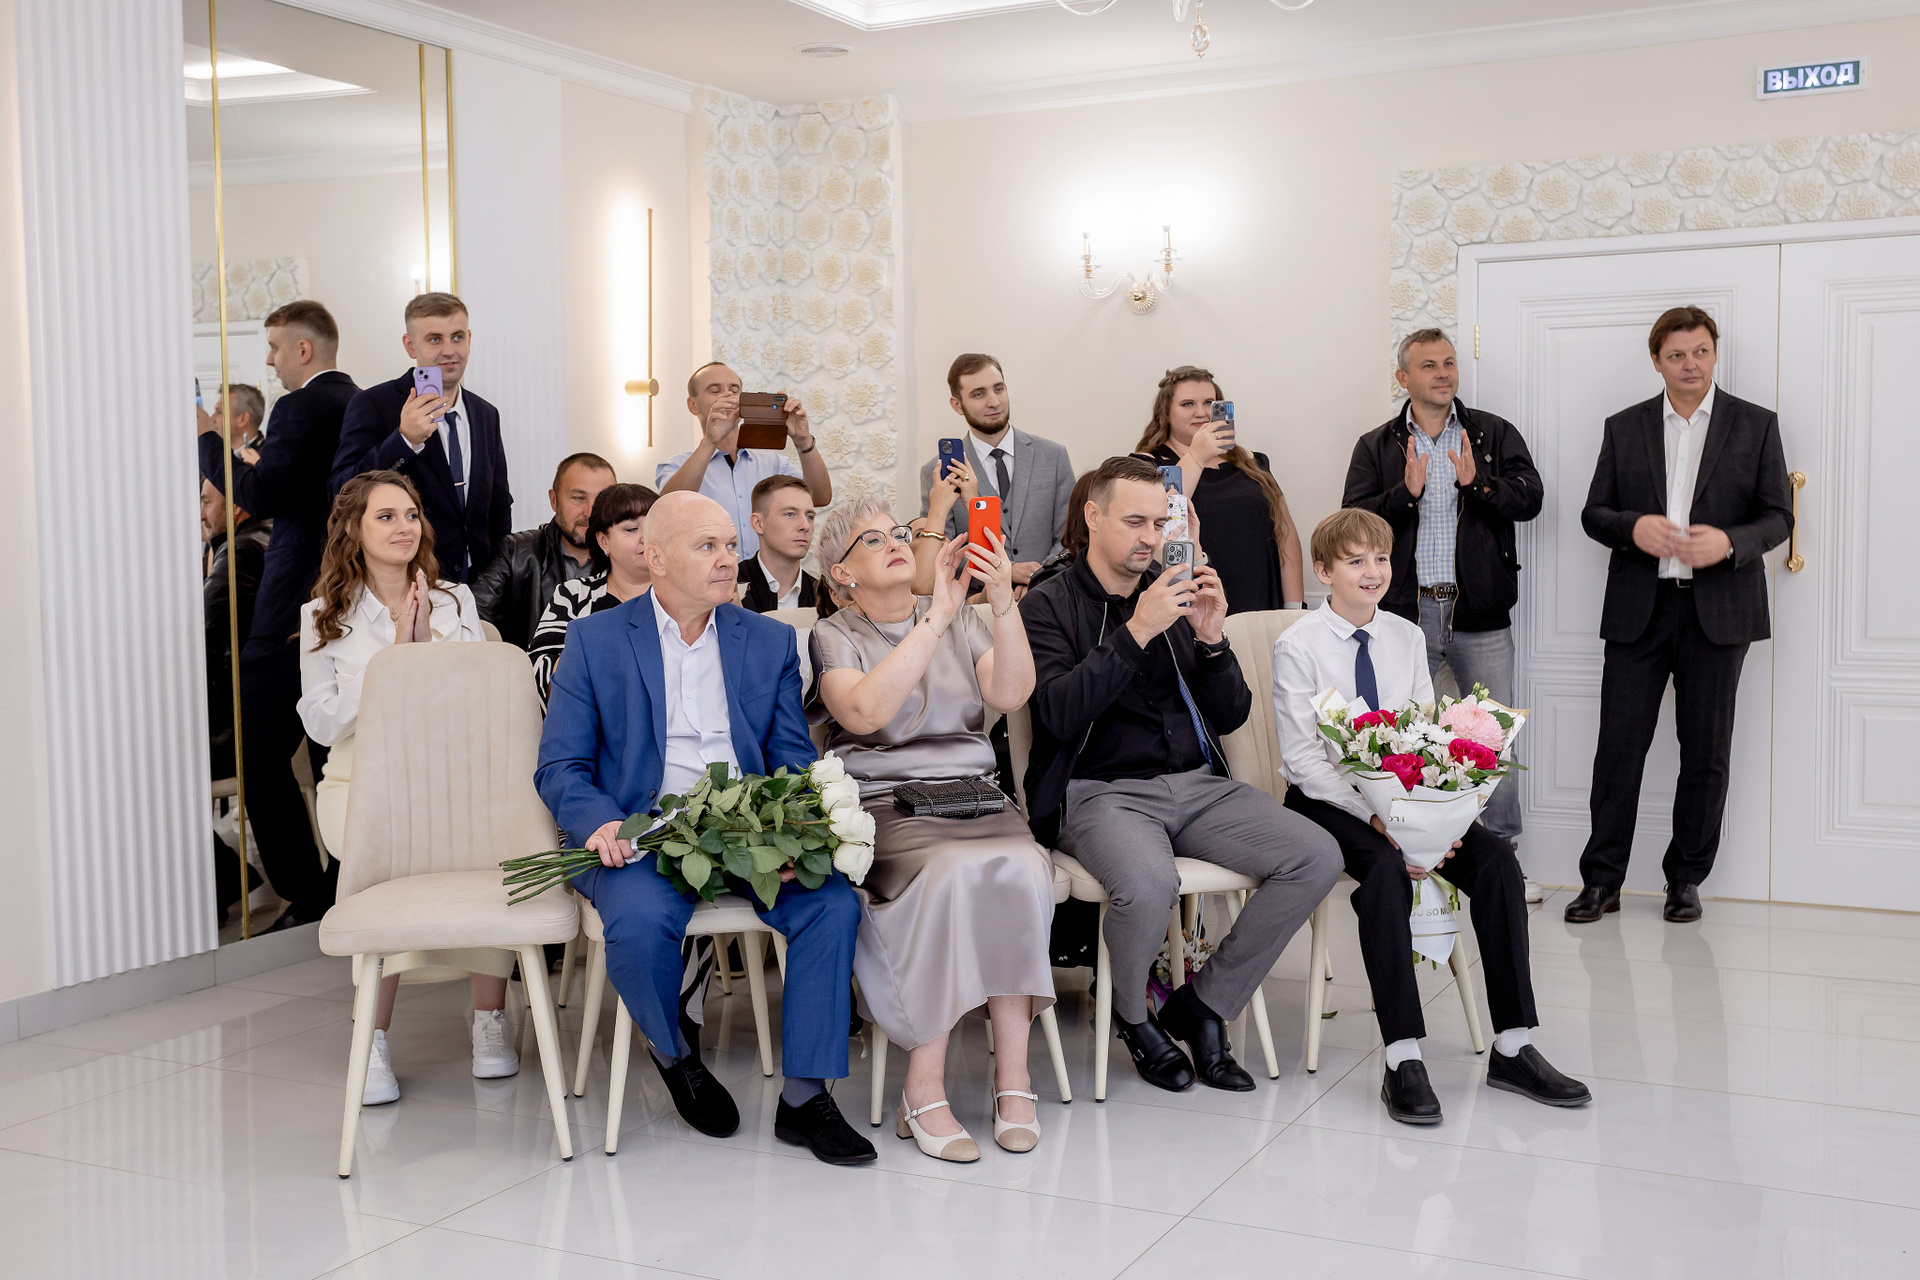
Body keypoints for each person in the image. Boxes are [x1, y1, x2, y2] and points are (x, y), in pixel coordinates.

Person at [535, 491, 874, 1166]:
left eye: (730, 545)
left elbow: (790, 757)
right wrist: (600, 821)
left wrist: (796, 830)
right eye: (707, 546)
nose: (727, 560)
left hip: (750, 830)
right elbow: (560, 765)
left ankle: (805, 1096)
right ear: (655, 558)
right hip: (642, 833)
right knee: (639, 920)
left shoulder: (769, 641)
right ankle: (674, 1054)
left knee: (831, 905)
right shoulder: (597, 640)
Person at [1020, 456, 1341, 1093]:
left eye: (1158, 522)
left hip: (1197, 786)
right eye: (1134, 522)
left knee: (1316, 856)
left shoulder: (1176, 588)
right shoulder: (1048, 603)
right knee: (1147, 884)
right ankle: (1134, 1017)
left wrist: (1213, 639)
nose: (1149, 537)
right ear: (1093, 516)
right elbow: (1055, 714)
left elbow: (1231, 714)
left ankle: (1204, 1004)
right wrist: (1139, 629)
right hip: (1101, 793)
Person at [1273, 508, 1590, 1125]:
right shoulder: (1299, 645)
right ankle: (1402, 1057)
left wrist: (1432, 821)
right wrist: (1381, 822)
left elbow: (1423, 736)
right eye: (1355, 561)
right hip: (1329, 802)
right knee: (1385, 873)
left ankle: (1513, 1045)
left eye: (1381, 558)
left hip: (1408, 799)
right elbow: (1304, 760)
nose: (1373, 572)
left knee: (1497, 863)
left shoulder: (1407, 636)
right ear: (1323, 571)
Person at [809, 498, 1054, 1161]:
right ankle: (923, 1083)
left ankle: (1013, 1079)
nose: (896, 543)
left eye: (898, 533)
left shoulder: (964, 617)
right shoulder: (833, 633)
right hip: (885, 804)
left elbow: (1011, 695)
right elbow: (864, 713)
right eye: (873, 540)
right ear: (842, 574)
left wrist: (999, 603)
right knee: (948, 874)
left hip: (974, 796)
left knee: (1025, 865)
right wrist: (937, 615)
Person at [1569, 306, 1793, 925]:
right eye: (1676, 355)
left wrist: (1731, 543)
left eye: (1701, 352)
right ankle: (1601, 880)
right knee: (1618, 749)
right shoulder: (1624, 427)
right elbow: (1594, 513)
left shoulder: (1756, 425)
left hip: (1719, 613)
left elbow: (1779, 515)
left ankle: (1685, 879)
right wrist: (1632, 527)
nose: (1690, 364)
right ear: (1656, 361)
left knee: (1706, 752)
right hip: (1639, 611)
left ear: (1714, 353)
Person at [296, 471, 513, 1106]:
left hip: (453, 775)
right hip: (362, 782)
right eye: (385, 516)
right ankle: (371, 1037)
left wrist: (424, 660)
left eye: (411, 514)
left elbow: (479, 698)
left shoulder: (454, 601)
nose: (404, 527)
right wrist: (394, 661)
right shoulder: (322, 615)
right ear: (353, 529)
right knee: (380, 870)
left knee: (492, 855)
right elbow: (320, 723)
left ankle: (489, 1019)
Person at [1343, 329, 1544, 900]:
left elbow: (1530, 499)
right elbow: (1352, 522)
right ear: (1403, 377)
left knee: (1492, 739)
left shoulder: (1492, 433)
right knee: (1407, 738)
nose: (1443, 373)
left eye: (1449, 363)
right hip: (1404, 615)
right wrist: (1404, 495)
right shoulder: (1376, 445)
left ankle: (1502, 859)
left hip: (1478, 610)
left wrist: (1478, 485)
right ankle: (1418, 857)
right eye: (1429, 365)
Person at [197, 298, 358, 932]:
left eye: (273, 346)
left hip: (294, 602)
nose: (269, 360)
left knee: (258, 751)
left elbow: (261, 495)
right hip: (345, 598)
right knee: (331, 755)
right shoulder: (359, 403)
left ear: (303, 349)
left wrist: (209, 439)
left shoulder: (301, 406)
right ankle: (343, 887)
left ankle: (305, 893)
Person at [331, 292, 512, 584]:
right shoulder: (374, 404)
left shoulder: (485, 414)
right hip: (405, 581)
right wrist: (404, 440)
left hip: (480, 585)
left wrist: (500, 579)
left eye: (457, 337)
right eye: (434, 339)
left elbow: (499, 506)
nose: (449, 351)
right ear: (410, 345)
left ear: (469, 339)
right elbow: (341, 491)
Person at [1132, 365, 1303, 614]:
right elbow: (1163, 513)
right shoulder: (1149, 464)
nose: (1201, 412)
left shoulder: (1251, 461)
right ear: (1166, 412)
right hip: (1195, 603)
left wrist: (1294, 608)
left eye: (1209, 403)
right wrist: (1197, 456)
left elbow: (1285, 534)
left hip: (1260, 600)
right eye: (1188, 404)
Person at [916, 353, 1077, 589]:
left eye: (999, 389)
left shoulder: (1054, 456)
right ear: (957, 405)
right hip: (977, 602)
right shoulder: (938, 471)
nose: (994, 402)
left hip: (1051, 594)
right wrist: (1007, 572)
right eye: (979, 394)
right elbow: (943, 552)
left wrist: (1040, 579)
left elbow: (1070, 537)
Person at [656, 362, 830, 559]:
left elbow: (820, 497)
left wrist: (803, 440)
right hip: (708, 574)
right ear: (692, 405)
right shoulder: (676, 465)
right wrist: (710, 442)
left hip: (764, 576)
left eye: (734, 390)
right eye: (715, 390)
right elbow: (669, 509)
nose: (727, 395)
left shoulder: (773, 463)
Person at [201, 478, 271, 924]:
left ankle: (225, 879)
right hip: (251, 716)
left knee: (146, 770)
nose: (201, 513)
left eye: (207, 501)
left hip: (236, 727)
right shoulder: (258, 541)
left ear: (238, 506)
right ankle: (228, 876)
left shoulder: (240, 551)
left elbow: (206, 630)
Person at [529, 483, 659, 708]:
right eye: (631, 529)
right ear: (603, 541)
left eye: (653, 528)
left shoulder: (682, 596)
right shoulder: (574, 596)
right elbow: (540, 670)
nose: (645, 539)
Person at [473, 452, 617, 649]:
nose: (590, 512)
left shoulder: (630, 560)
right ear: (554, 500)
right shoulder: (515, 553)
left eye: (601, 500)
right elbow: (471, 619)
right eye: (578, 498)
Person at [737, 474, 822, 612]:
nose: (805, 526)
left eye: (809, 516)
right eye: (790, 514)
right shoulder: (728, 588)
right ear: (758, 523)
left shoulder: (824, 596)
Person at [197, 382, 266, 454]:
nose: (212, 418)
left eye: (219, 412)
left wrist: (206, 436)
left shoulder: (264, 458)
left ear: (242, 419)